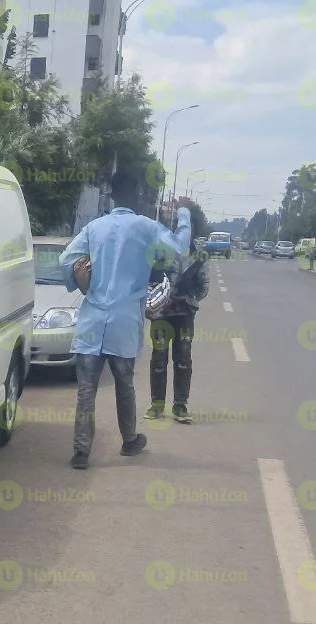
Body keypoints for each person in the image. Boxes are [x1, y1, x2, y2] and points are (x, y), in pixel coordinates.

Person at [58, 169, 192, 470]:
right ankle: (129, 440)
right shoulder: (147, 227)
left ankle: (81, 452)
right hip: (124, 322)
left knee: (86, 389)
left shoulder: (94, 228)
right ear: (136, 196)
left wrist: (81, 282)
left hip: (92, 321)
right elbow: (180, 248)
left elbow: (65, 260)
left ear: (113, 195)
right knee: (124, 384)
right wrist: (183, 214)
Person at [146, 239, 208, 424]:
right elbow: (146, 281)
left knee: (183, 360)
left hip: (184, 315)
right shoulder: (157, 251)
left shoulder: (197, 255)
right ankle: (157, 406)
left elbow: (203, 286)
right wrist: (153, 305)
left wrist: (184, 298)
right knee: (159, 359)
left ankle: (180, 406)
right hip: (160, 316)